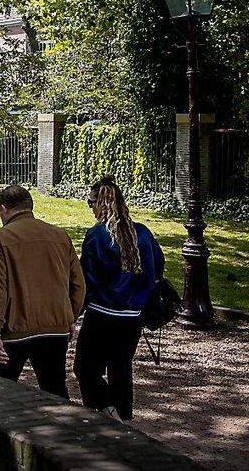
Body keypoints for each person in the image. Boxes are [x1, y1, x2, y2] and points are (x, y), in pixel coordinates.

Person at [74, 176, 163, 422]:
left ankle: (112, 415)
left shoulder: (97, 236)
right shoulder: (142, 233)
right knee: (120, 369)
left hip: (102, 314)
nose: (90, 207)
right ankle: (125, 418)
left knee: (84, 369)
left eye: (90, 202)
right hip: (132, 317)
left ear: (101, 203)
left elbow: (87, 278)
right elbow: (159, 267)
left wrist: (76, 311)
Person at [0, 185, 85, 399]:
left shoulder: (0, 238)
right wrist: (69, 316)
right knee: (55, 390)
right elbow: (78, 284)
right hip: (54, 327)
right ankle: (68, 431)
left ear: (3, 209)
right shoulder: (60, 235)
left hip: (15, 329)